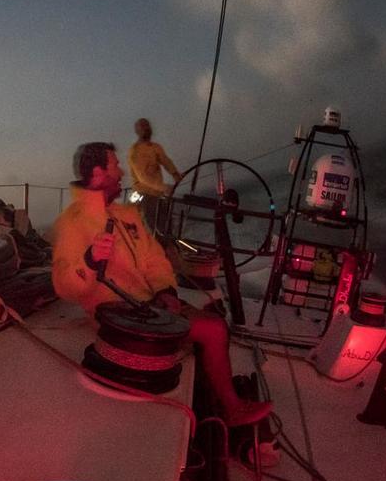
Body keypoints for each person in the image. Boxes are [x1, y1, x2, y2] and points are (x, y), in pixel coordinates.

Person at [51, 141, 271, 427]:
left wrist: (166, 290)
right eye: (115, 166)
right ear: (98, 173)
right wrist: (91, 261)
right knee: (214, 329)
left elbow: (153, 260)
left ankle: (212, 402)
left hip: (149, 306)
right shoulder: (72, 223)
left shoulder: (126, 216)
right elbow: (64, 287)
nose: (122, 174)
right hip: (118, 316)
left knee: (213, 316)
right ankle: (231, 409)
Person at [128, 118, 182, 233]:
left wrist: (176, 174)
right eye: (142, 127)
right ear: (137, 131)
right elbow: (143, 178)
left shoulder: (155, 147)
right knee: (155, 229)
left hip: (158, 194)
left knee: (166, 227)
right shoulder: (135, 151)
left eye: (147, 126)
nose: (146, 129)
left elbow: (165, 161)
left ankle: (169, 247)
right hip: (144, 195)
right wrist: (165, 187)